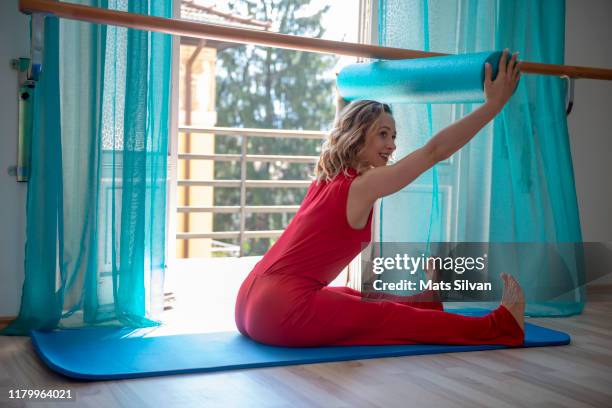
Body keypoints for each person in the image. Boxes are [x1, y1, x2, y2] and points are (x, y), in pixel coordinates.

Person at [235, 49, 525, 347]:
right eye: (382, 135)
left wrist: (345, 92)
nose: (391, 145)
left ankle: (426, 302)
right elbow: (433, 151)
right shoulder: (364, 184)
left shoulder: (327, 177)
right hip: (281, 311)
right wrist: (494, 105)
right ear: (358, 136)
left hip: (250, 301)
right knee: (386, 318)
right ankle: (501, 326)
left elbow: (343, 124)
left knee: (352, 297)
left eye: (393, 136)